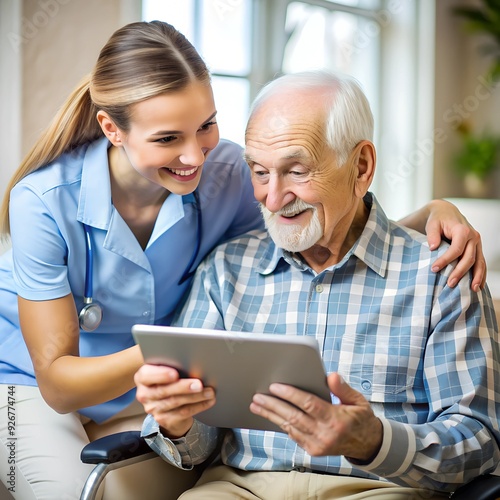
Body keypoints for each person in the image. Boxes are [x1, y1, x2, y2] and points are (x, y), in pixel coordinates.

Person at [0, 20, 487, 500]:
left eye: (207, 125)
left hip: (359, 480)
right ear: (113, 129)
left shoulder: (228, 171)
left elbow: (339, 231)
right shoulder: (43, 201)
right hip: (41, 383)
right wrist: (183, 365)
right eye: (169, 138)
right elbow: (62, 386)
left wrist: (433, 213)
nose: (195, 156)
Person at [135, 70, 500, 499]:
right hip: (240, 488)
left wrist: (376, 442)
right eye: (259, 172)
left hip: (375, 489)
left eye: (297, 170)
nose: (273, 199)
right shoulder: (225, 269)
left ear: (360, 167)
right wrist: (177, 422)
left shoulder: (442, 274)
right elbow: (198, 442)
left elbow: (481, 442)